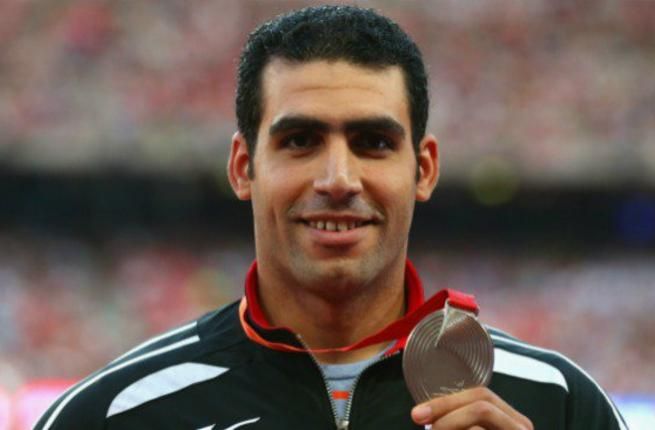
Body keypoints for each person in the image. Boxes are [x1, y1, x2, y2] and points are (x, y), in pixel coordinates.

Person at [36, 5, 627, 430]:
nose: (338, 179)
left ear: (424, 169)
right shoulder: (113, 414)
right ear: (243, 167)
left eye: (373, 143)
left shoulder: (560, 405)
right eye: (300, 140)